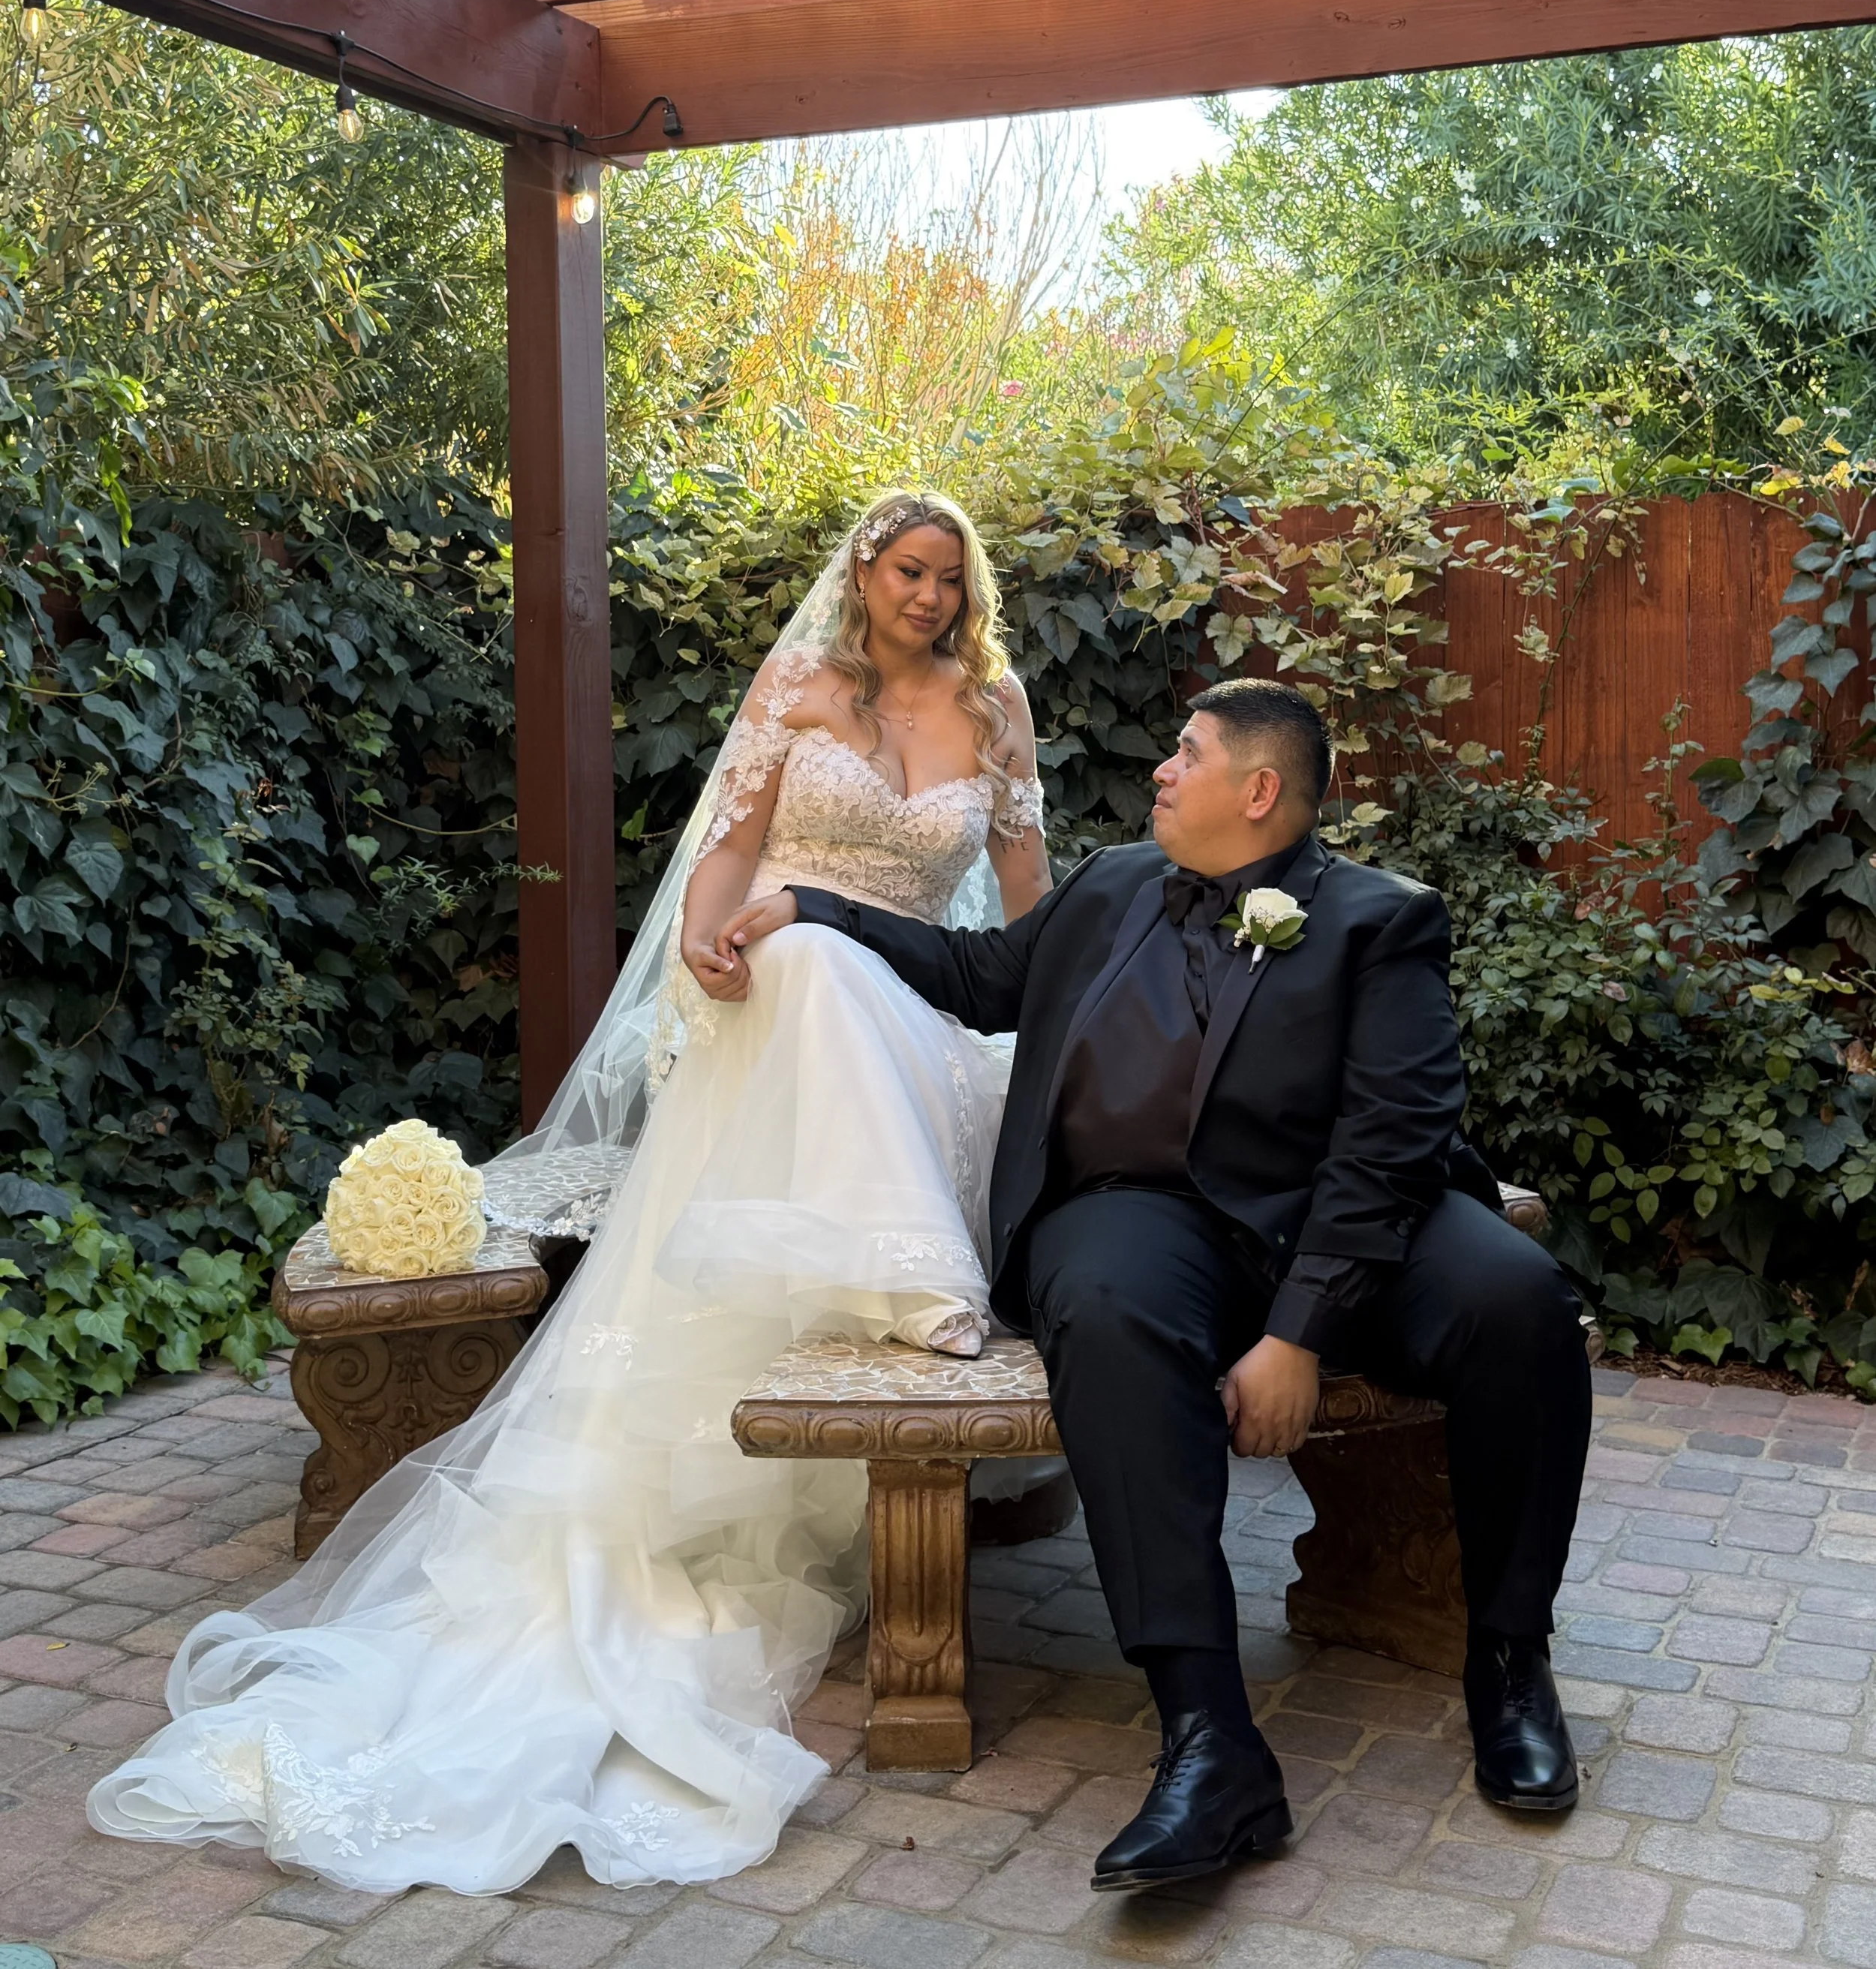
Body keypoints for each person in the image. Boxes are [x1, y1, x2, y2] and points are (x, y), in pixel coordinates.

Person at [86, 491, 1051, 1894]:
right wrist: (704, 949)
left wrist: (1060, 1017)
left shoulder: (997, 707)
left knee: (873, 982)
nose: (930, 599)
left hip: (924, 1016)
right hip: (781, 997)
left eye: (949, 581)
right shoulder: (803, 685)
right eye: (909, 573)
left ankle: (898, 1283)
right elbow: (727, 846)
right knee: (807, 959)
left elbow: (1026, 896)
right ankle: (896, 1288)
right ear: (863, 574)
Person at [723, 676, 1594, 1892]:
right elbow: (979, 977)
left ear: (1259, 790)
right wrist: (815, 908)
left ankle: (1509, 1659)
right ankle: (1210, 1739)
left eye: (1186, 755)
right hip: (1137, 1216)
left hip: (1328, 1213)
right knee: (1109, 1306)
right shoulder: (1109, 884)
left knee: (1523, 1303)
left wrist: (1298, 1335)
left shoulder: (1381, 922)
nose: (1161, 773)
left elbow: (1390, 1142)